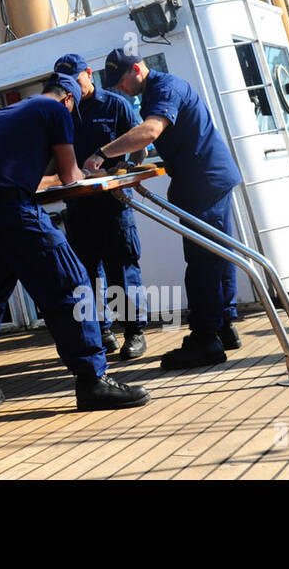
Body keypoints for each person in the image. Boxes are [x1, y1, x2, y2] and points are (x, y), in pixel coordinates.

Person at [0, 71, 150, 416]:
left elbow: (12, 172)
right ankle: (92, 380)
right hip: (14, 210)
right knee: (73, 283)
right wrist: (95, 173)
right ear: (68, 99)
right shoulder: (58, 112)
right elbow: (69, 176)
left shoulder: (4, 115)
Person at [86, 49, 244, 370]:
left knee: (202, 258)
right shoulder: (154, 93)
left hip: (203, 180)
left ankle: (204, 339)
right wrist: (130, 163)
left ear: (136, 69)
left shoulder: (165, 88)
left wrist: (101, 154)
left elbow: (150, 131)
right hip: (207, 178)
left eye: (121, 81)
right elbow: (146, 140)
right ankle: (224, 325)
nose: (119, 88)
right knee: (217, 252)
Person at [53, 53, 148, 359]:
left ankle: (133, 332)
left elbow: (140, 149)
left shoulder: (116, 105)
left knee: (120, 270)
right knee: (85, 275)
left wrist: (123, 172)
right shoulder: (62, 112)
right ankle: (102, 332)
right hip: (79, 208)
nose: (73, 89)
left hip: (112, 204)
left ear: (89, 74)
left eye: (77, 81)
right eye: (66, 85)